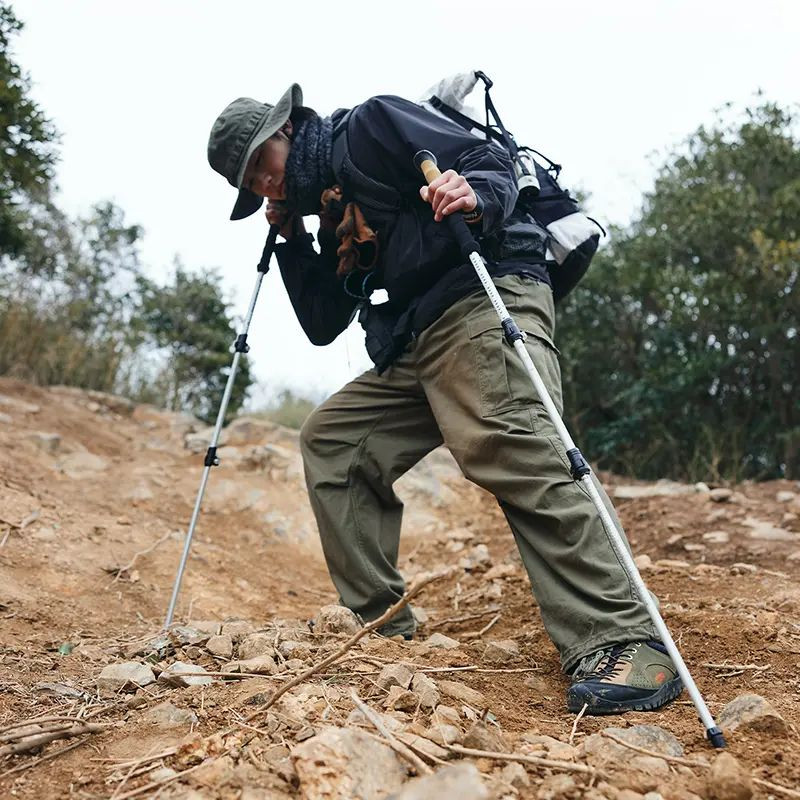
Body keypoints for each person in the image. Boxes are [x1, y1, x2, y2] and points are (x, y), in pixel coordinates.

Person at [207, 83, 682, 715]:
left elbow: (487, 164)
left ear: (287, 129)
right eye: (250, 183)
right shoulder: (327, 207)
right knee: (334, 443)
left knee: (510, 439)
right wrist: (292, 239)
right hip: (418, 335)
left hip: (483, 296)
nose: (264, 183)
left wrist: (472, 195)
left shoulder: (370, 126)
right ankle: (382, 627)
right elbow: (323, 322)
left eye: (260, 163)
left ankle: (626, 640)